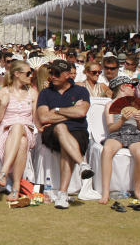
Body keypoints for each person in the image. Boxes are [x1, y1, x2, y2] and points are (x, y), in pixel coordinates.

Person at [36, 59, 94, 209]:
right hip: (52, 132)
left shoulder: (81, 91)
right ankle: (82, 164)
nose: (53, 76)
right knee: (61, 128)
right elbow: (43, 117)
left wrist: (56, 110)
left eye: (57, 73)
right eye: (51, 73)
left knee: (66, 147)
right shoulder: (45, 93)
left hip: (78, 132)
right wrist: (71, 112)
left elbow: (82, 112)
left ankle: (62, 195)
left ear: (68, 75)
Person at [97, 76, 140, 204]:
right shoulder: (110, 104)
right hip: (117, 132)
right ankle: (105, 192)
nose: (134, 89)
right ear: (123, 87)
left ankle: (137, 191)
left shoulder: (137, 103)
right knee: (107, 150)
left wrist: (138, 120)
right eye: (131, 86)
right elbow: (111, 128)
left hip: (135, 133)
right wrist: (122, 120)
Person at [0, 59, 40, 201]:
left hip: (27, 129)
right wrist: (3, 105)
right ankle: (15, 189)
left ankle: (4, 172)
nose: (31, 76)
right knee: (22, 142)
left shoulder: (32, 93)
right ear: (17, 74)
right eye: (28, 73)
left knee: (20, 127)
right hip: (6, 132)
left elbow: (35, 118)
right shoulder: (3, 92)